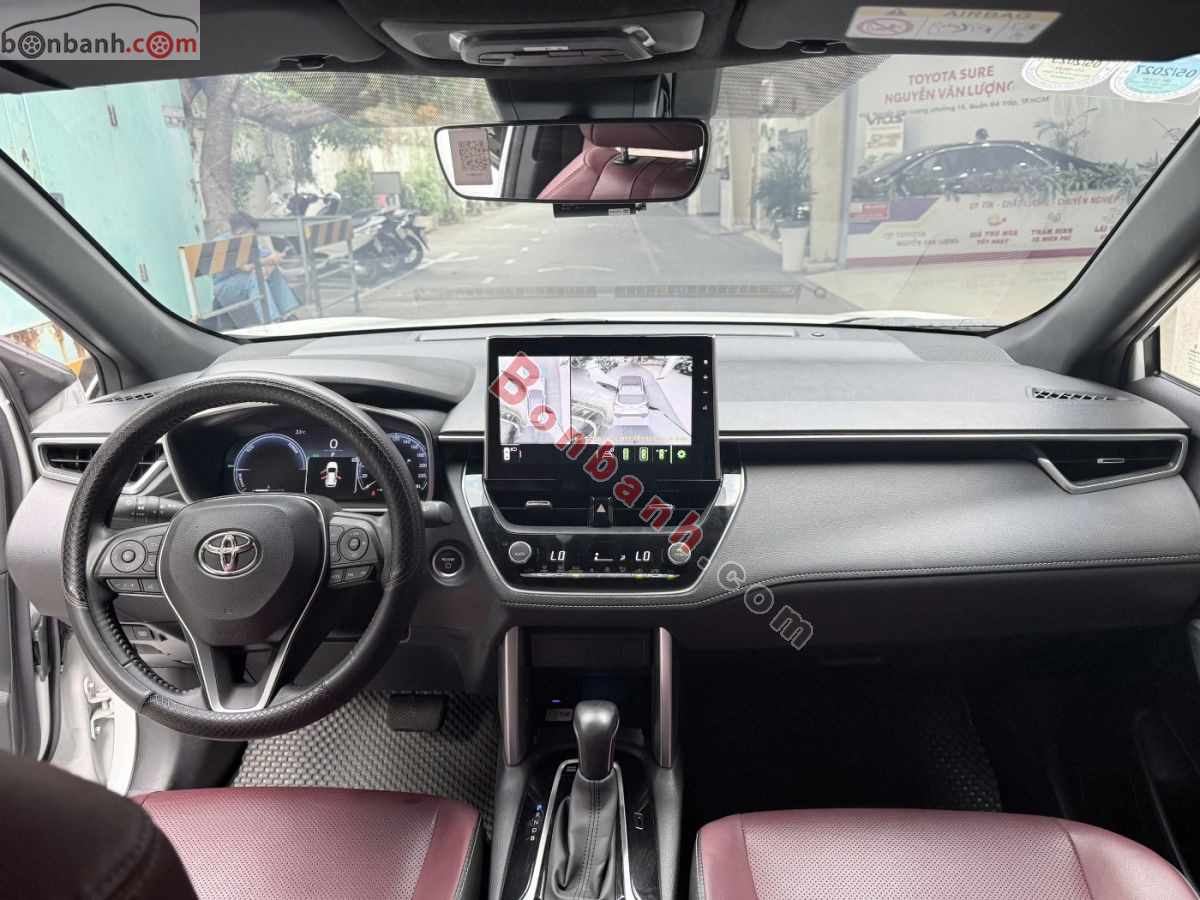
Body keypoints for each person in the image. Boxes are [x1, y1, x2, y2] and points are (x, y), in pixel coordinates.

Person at [211, 212, 302, 327]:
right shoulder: (222, 243)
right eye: (251, 234)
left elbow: (263, 256)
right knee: (254, 278)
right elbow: (245, 267)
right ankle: (271, 321)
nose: (253, 237)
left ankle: (286, 314)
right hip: (224, 287)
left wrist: (269, 267)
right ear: (240, 232)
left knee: (271, 273)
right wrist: (268, 261)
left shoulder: (245, 239)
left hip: (243, 281)